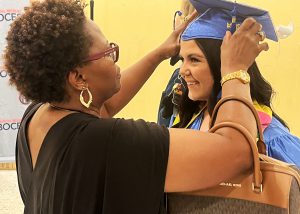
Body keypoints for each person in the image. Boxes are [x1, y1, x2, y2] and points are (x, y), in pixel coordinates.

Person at [4, 0, 268, 213]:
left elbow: (102, 108)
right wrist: (235, 70)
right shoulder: (103, 142)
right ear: (78, 78)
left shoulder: (40, 115)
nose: (116, 59)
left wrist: (160, 53)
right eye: (108, 52)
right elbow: (236, 152)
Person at [158, 0, 300, 167]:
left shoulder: (272, 138)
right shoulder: (192, 116)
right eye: (183, 59)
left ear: (222, 64)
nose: (182, 71)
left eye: (194, 60)